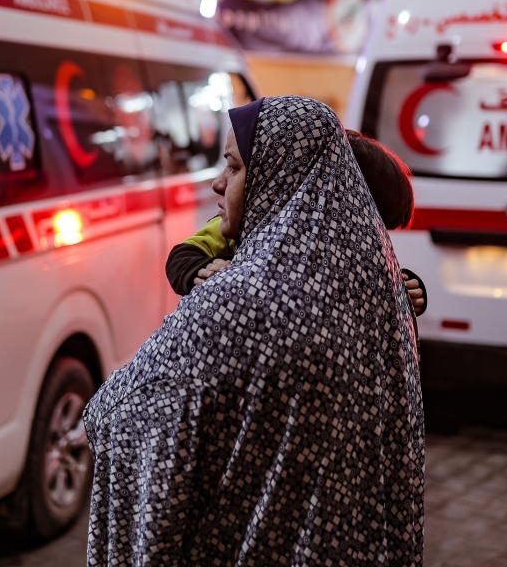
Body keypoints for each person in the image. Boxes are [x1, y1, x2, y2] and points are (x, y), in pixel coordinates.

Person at [83, 96, 424, 564]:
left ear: (277, 177)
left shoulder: (241, 303)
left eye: (235, 166)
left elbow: (118, 414)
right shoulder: (378, 296)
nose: (218, 183)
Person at [165, 128, 427, 318]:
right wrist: (202, 269)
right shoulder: (240, 226)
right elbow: (182, 256)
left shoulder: (350, 256)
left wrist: (406, 290)